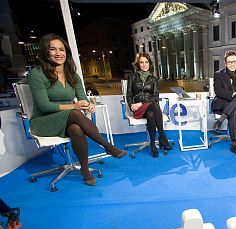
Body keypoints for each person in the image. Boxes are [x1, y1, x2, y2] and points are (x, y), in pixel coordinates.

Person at [28, 34, 127, 186]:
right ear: (45, 52)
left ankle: (85, 170)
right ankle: (107, 146)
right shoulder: (37, 74)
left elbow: (82, 98)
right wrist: (74, 106)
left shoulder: (72, 75)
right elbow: (44, 106)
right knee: (75, 113)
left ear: (66, 52)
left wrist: (88, 105)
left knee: (76, 129)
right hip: (43, 121)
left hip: (68, 120)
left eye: (62, 49)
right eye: (52, 49)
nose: (58, 53)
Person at [126, 52, 173, 158]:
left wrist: (142, 103)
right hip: (137, 109)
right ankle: (162, 137)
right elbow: (129, 95)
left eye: (146, 62)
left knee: (151, 113)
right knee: (154, 106)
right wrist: (132, 105)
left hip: (149, 107)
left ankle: (152, 144)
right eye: (141, 62)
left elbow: (155, 97)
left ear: (149, 64)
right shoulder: (132, 77)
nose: (144, 65)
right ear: (138, 64)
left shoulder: (153, 79)